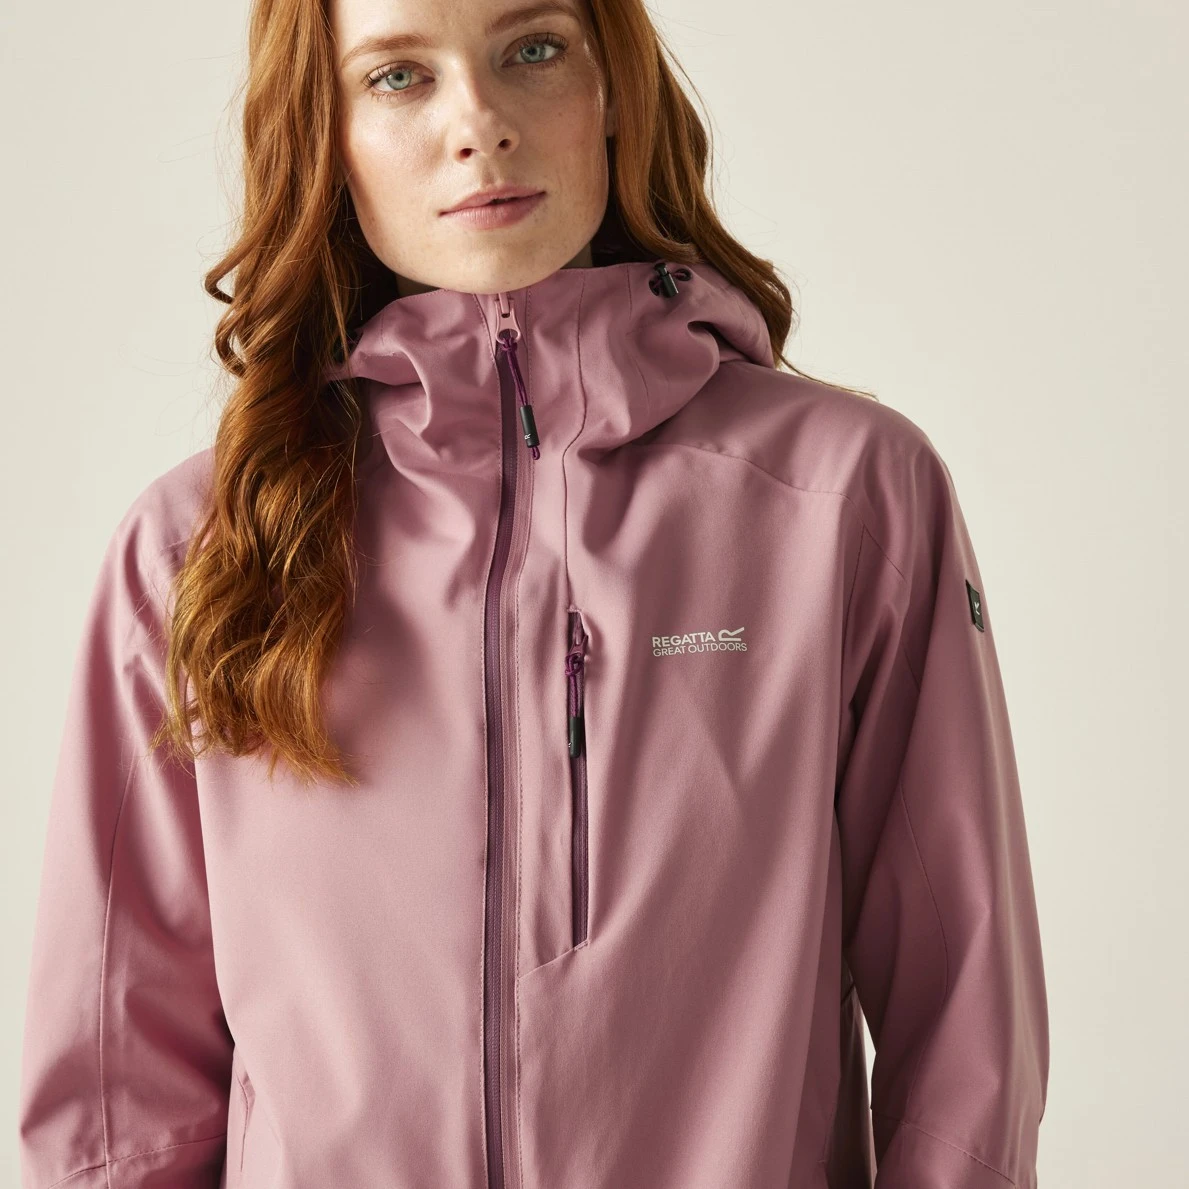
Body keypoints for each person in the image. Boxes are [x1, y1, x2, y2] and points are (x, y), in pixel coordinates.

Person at [16, 0, 1050, 1184]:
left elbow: (963, 1017)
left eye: (534, 50)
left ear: (611, 87)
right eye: (398, 77)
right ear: (325, 132)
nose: (480, 123)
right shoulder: (198, 544)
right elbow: (121, 1084)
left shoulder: (838, 496)